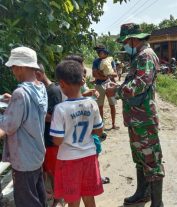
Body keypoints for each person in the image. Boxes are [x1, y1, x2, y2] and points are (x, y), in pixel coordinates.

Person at [106, 23, 164, 207]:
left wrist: (117, 91)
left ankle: (157, 203)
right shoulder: (139, 55)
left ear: (133, 39)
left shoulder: (146, 55)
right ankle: (142, 194)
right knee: (140, 158)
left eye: (125, 41)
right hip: (136, 118)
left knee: (151, 160)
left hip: (144, 118)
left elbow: (141, 83)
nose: (125, 45)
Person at [50, 60, 104, 207]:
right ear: (82, 80)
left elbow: (58, 141)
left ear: (61, 83)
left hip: (68, 160)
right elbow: (99, 131)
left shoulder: (60, 109)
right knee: (89, 196)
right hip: (89, 156)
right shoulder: (92, 103)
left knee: (72, 199)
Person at [0, 46, 48, 207]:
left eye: (13, 67)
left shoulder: (20, 94)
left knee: (26, 201)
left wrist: (13, 101)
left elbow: (7, 128)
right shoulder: (40, 88)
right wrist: (12, 100)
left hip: (23, 160)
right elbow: (29, 113)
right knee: (38, 196)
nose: (13, 71)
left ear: (20, 67)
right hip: (36, 155)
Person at [35, 64, 64, 207]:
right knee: (47, 172)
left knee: (54, 173)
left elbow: (54, 116)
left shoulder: (53, 90)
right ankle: (54, 197)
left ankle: (59, 200)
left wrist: (33, 111)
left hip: (51, 140)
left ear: (39, 74)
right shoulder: (44, 90)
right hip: (45, 139)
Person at [92, 46, 118, 129]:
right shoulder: (96, 61)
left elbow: (115, 73)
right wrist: (105, 76)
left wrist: (101, 74)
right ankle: (101, 125)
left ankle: (113, 124)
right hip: (99, 85)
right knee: (100, 106)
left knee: (112, 104)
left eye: (101, 52)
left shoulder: (111, 61)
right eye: (98, 52)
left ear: (106, 53)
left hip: (110, 85)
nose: (99, 54)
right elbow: (94, 74)